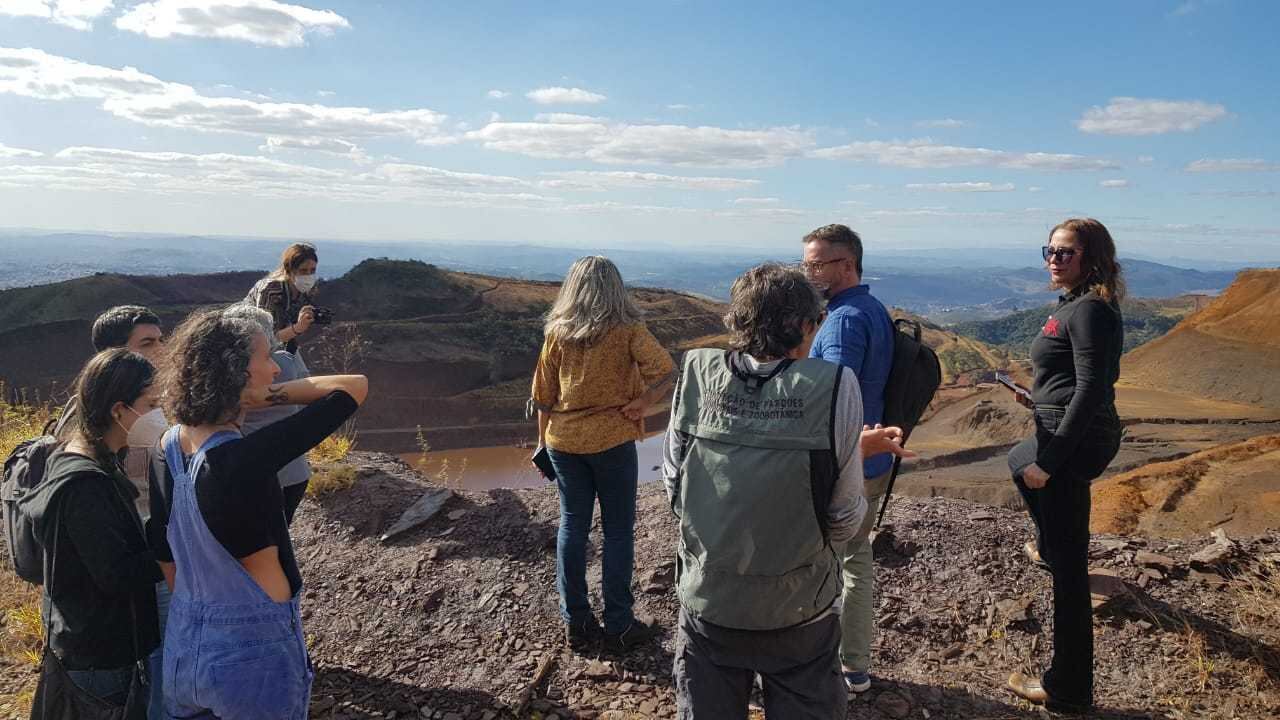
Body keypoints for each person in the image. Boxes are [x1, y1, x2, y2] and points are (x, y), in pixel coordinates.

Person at [663, 262, 872, 719]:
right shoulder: (834, 386)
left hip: (709, 601)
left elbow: (674, 486)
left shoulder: (698, 373)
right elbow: (846, 514)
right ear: (802, 325)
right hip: (800, 608)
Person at [147, 308, 368, 719]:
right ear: (238, 374)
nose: (274, 371)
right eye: (265, 359)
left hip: (186, 639)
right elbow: (352, 388)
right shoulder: (244, 458)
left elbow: (163, 551)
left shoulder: (167, 447)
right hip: (253, 649)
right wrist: (260, 397)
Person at [1006, 218, 1125, 715]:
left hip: (1071, 444)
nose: (1054, 260)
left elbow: (1093, 389)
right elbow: (1068, 378)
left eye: (1066, 253)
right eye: (1049, 251)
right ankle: (1052, 545)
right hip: (1054, 429)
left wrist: (1051, 463)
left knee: (1071, 575)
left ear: (1092, 258)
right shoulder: (1073, 305)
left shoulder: (1091, 309)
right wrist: (1037, 400)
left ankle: (1068, 688)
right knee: (1017, 460)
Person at [530, 256, 675, 653]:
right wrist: (644, 404)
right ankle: (619, 625)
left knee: (572, 526)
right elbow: (665, 371)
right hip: (612, 440)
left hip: (564, 441)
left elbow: (542, 398)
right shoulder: (629, 329)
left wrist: (542, 445)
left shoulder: (557, 332)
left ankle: (575, 623)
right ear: (616, 288)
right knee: (617, 532)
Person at [24, 348, 164, 709]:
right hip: (101, 655)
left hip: (89, 644)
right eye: (150, 405)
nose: (158, 415)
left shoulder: (83, 458)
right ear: (119, 410)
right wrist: (174, 547)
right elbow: (116, 574)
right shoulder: (85, 485)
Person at [800, 223, 895, 694]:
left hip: (846, 462)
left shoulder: (841, 320)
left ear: (846, 265)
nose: (808, 272)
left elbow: (832, 392)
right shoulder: (870, 308)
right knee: (856, 560)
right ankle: (853, 663)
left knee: (833, 563)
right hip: (870, 458)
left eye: (816, 264)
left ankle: (832, 663)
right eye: (805, 263)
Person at [223, 304, 314, 524]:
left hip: (253, 469)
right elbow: (307, 393)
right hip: (295, 470)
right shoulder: (286, 360)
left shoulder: (227, 369)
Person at [246, 242, 320, 354]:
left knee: (300, 371)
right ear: (289, 270)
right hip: (248, 341)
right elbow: (265, 338)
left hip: (280, 343)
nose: (308, 275)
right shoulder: (271, 291)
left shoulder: (304, 292)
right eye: (303, 271)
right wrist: (298, 327)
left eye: (312, 270)